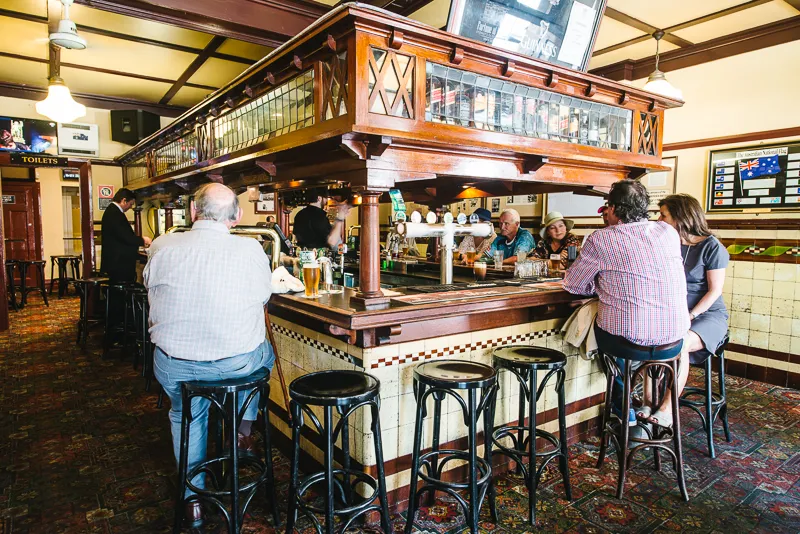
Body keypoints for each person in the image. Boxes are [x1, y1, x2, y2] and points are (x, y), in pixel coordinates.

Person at [144, 183, 275, 527]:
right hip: (236, 367)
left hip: (175, 366)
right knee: (266, 355)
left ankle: (193, 503)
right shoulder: (250, 249)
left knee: (187, 414)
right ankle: (243, 430)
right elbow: (264, 296)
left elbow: (149, 288)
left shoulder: (161, 245)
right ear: (237, 217)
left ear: (192, 212)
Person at [564, 179, 690, 430]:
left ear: (613, 208)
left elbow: (574, 286)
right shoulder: (668, 232)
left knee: (606, 336)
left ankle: (625, 410)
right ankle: (644, 406)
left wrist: (599, 287)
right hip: (674, 339)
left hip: (628, 340)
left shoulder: (601, 239)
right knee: (622, 330)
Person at [658, 194, 729, 383]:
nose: (659, 220)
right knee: (653, 340)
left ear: (680, 217)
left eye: (663, 215)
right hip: (674, 313)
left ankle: (666, 409)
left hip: (706, 315)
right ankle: (649, 402)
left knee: (680, 343)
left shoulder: (712, 247)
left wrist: (690, 316)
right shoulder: (669, 245)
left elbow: (714, 291)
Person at [100, 188, 151, 282]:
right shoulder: (115, 213)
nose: (130, 207)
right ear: (124, 200)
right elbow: (125, 237)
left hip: (116, 262)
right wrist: (143, 240)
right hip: (118, 264)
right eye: (130, 204)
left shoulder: (112, 211)